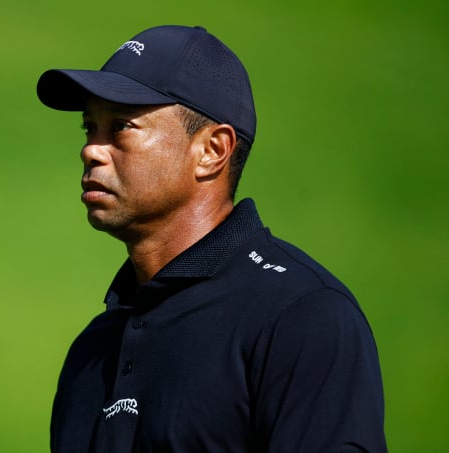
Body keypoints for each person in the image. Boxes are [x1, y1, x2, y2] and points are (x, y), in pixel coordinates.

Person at [36, 25, 387, 452]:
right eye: (90, 127)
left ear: (212, 150)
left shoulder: (301, 317)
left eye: (122, 127)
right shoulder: (92, 349)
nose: (92, 149)